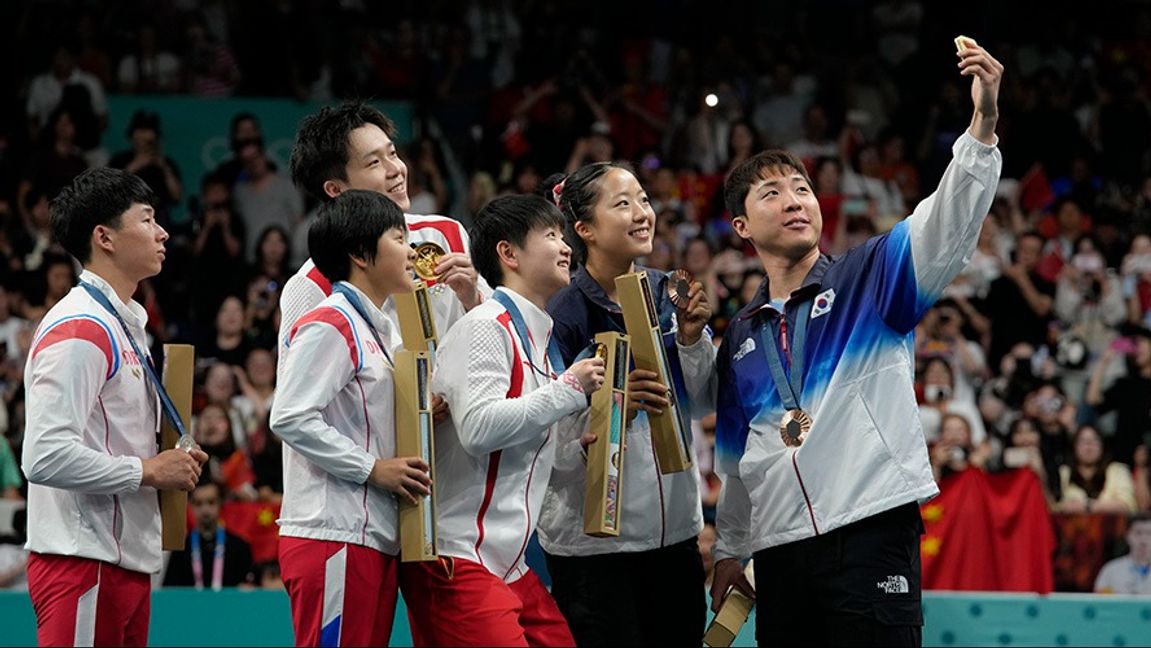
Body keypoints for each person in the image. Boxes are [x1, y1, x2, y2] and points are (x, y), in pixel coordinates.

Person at [711, 43, 1003, 647]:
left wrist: (982, 128)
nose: (794, 200)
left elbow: (944, 224)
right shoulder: (741, 336)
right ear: (740, 227)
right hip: (781, 554)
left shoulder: (869, 278)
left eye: (801, 189)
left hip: (872, 532)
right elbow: (737, 462)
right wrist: (730, 552)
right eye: (771, 193)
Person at [401, 194, 605, 646]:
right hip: (458, 559)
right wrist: (569, 389)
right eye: (550, 235)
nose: (565, 246)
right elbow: (478, 430)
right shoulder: (486, 326)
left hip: (510, 565)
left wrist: (573, 454)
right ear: (508, 253)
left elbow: (522, 447)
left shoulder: (540, 341)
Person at [21, 167, 208, 646]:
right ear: (104, 237)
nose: (163, 231)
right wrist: (148, 470)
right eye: (147, 220)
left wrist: (171, 459)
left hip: (122, 561)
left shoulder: (122, 324)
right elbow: (43, 456)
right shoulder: (82, 328)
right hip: (83, 562)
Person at [541, 161, 716, 645]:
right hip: (595, 551)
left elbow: (702, 404)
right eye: (622, 204)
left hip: (676, 536)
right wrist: (614, 409)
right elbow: (544, 446)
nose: (642, 212)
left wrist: (693, 338)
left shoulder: (667, 293)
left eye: (642, 199)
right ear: (584, 229)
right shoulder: (559, 315)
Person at [270, 189, 431, 647]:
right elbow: (289, 415)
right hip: (332, 535)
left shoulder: (375, 328)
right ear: (361, 254)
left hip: (366, 535)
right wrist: (373, 468)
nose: (412, 250)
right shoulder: (332, 321)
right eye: (399, 238)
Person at [281, 101, 488, 357]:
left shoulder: (446, 235)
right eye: (374, 163)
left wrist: (472, 300)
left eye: (392, 154)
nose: (396, 170)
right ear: (335, 189)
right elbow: (298, 391)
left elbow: (497, 339)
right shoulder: (311, 285)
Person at [163, 480, 255, 589]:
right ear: (190, 505)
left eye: (211, 502)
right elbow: (170, 591)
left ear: (221, 503)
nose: (205, 510)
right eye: (198, 503)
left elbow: (250, 587)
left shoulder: (239, 546)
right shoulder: (181, 549)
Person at [1095, 515, 1151, 594]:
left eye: (1149, 533)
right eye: (1138, 533)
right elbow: (1100, 603)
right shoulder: (1111, 570)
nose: (1143, 540)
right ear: (1127, 536)